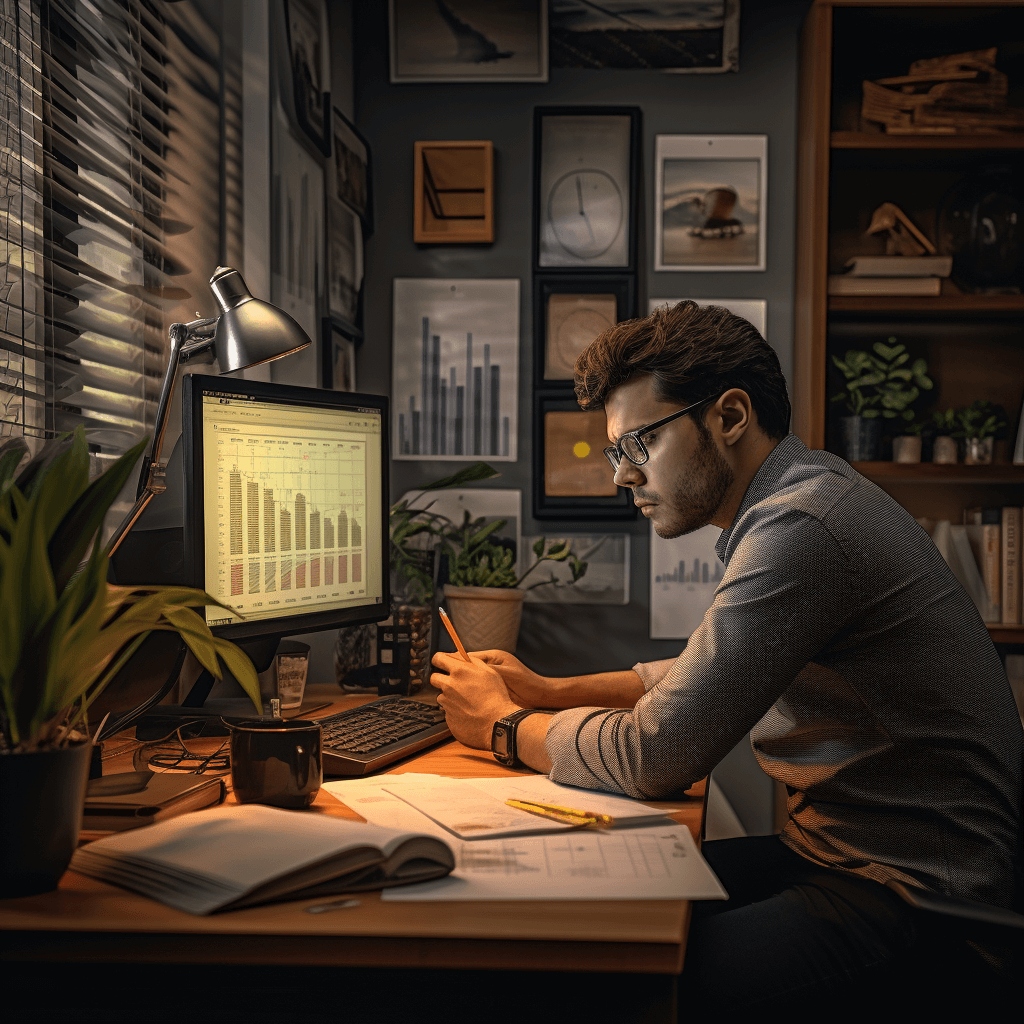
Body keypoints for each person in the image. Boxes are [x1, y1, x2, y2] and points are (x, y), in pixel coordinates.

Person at [430, 300, 1022, 1010]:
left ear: (731, 416)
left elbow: (658, 754)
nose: (622, 475)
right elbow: (706, 670)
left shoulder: (801, 527)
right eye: (618, 452)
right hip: (842, 856)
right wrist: (546, 691)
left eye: (639, 444)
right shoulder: (800, 499)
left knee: (622, 978)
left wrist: (501, 726)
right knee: (602, 916)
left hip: (914, 895)